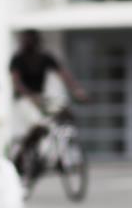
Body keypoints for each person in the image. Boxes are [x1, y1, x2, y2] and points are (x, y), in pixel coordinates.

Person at [9, 30, 87, 170]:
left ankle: (60, 155)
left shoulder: (44, 58)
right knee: (37, 124)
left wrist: (76, 90)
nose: (28, 43)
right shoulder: (17, 59)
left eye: (31, 40)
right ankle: (22, 153)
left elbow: (64, 75)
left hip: (41, 97)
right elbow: (17, 83)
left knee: (63, 113)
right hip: (24, 99)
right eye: (25, 40)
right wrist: (31, 96)